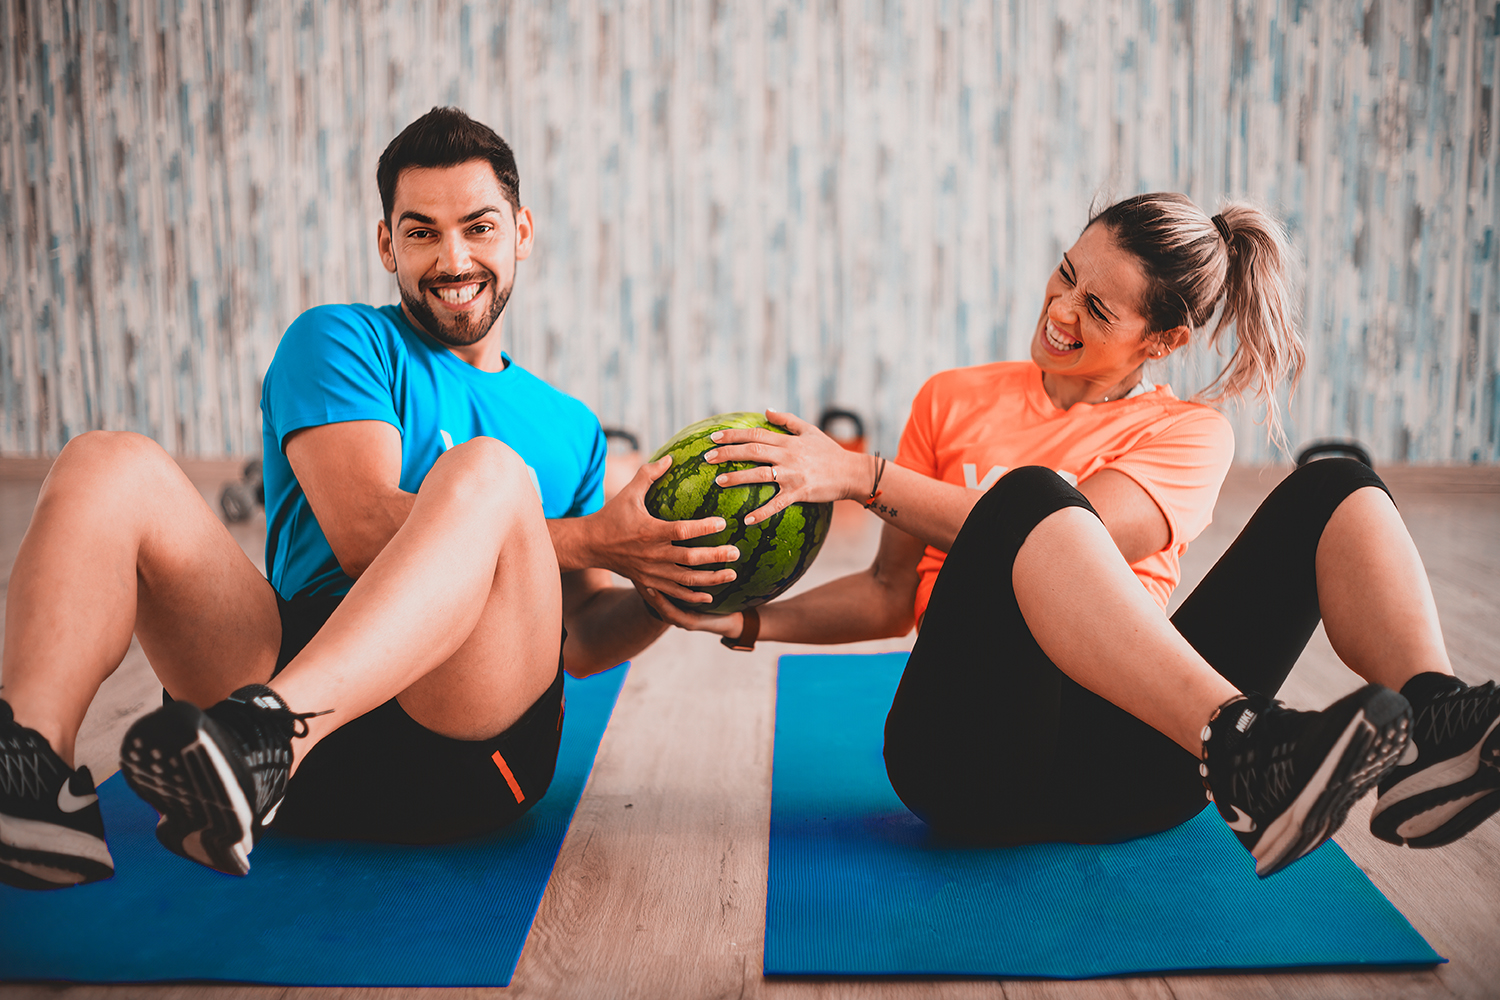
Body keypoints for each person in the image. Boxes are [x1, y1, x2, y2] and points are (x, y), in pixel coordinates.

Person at [645, 193, 1500, 877]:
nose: (1061, 309)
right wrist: (743, 623)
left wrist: (862, 477)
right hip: (970, 761)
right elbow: (886, 596)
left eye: (1097, 306)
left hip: (1141, 769)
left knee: (1336, 485)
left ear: (1162, 340)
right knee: (1030, 498)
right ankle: (1247, 745)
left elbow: (1075, 528)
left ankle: (1428, 728)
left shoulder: (1189, 434)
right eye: (1064, 275)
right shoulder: (951, 398)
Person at [0, 107, 741, 890]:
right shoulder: (340, 340)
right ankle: (28, 772)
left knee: (490, 472)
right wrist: (593, 540)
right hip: (266, 717)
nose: (453, 258)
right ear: (387, 243)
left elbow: (582, 641)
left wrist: (663, 592)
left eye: (478, 228)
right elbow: (361, 533)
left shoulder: (571, 428)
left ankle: (265, 740)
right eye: (422, 232)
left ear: (520, 231)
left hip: (459, 746)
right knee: (107, 461)